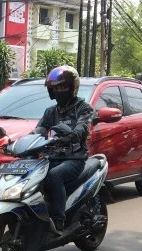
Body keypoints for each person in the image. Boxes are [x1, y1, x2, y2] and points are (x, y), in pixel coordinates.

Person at [33, 65, 94, 234]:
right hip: (51, 157)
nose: (59, 91)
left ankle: (59, 220)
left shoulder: (83, 108)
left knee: (54, 176)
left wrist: (72, 136)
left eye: (63, 87)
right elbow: (38, 131)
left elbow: (83, 127)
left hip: (74, 158)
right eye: (56, 88)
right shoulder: (50, 112)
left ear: (72, 87)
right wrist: (17, 142)